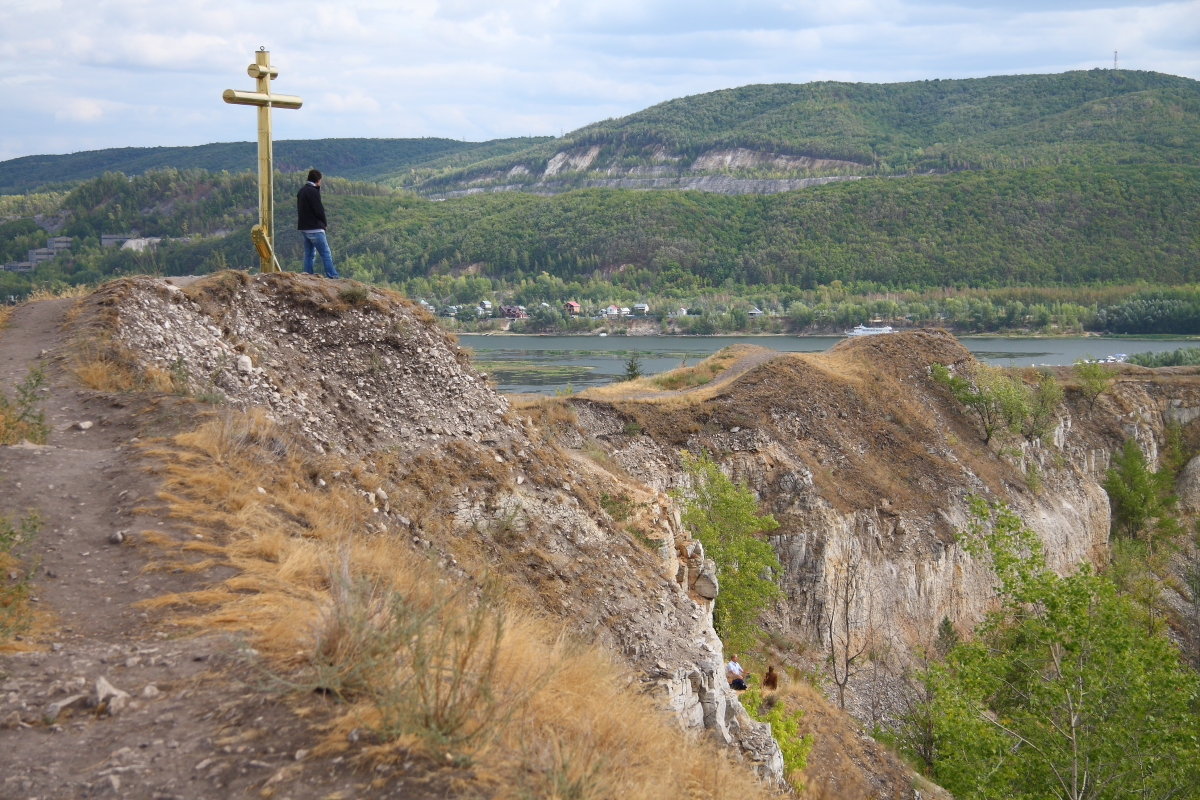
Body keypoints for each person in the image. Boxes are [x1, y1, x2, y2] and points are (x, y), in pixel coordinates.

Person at [296, 169, 339, 278]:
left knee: (309, 254)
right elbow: (319, 210)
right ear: (318, 180)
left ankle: (306, 275)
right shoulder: (313, 192)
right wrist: (324, 224)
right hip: (315, 228)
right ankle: (332, 275)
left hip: (304, 228)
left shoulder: (302, 191)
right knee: (325, 253)